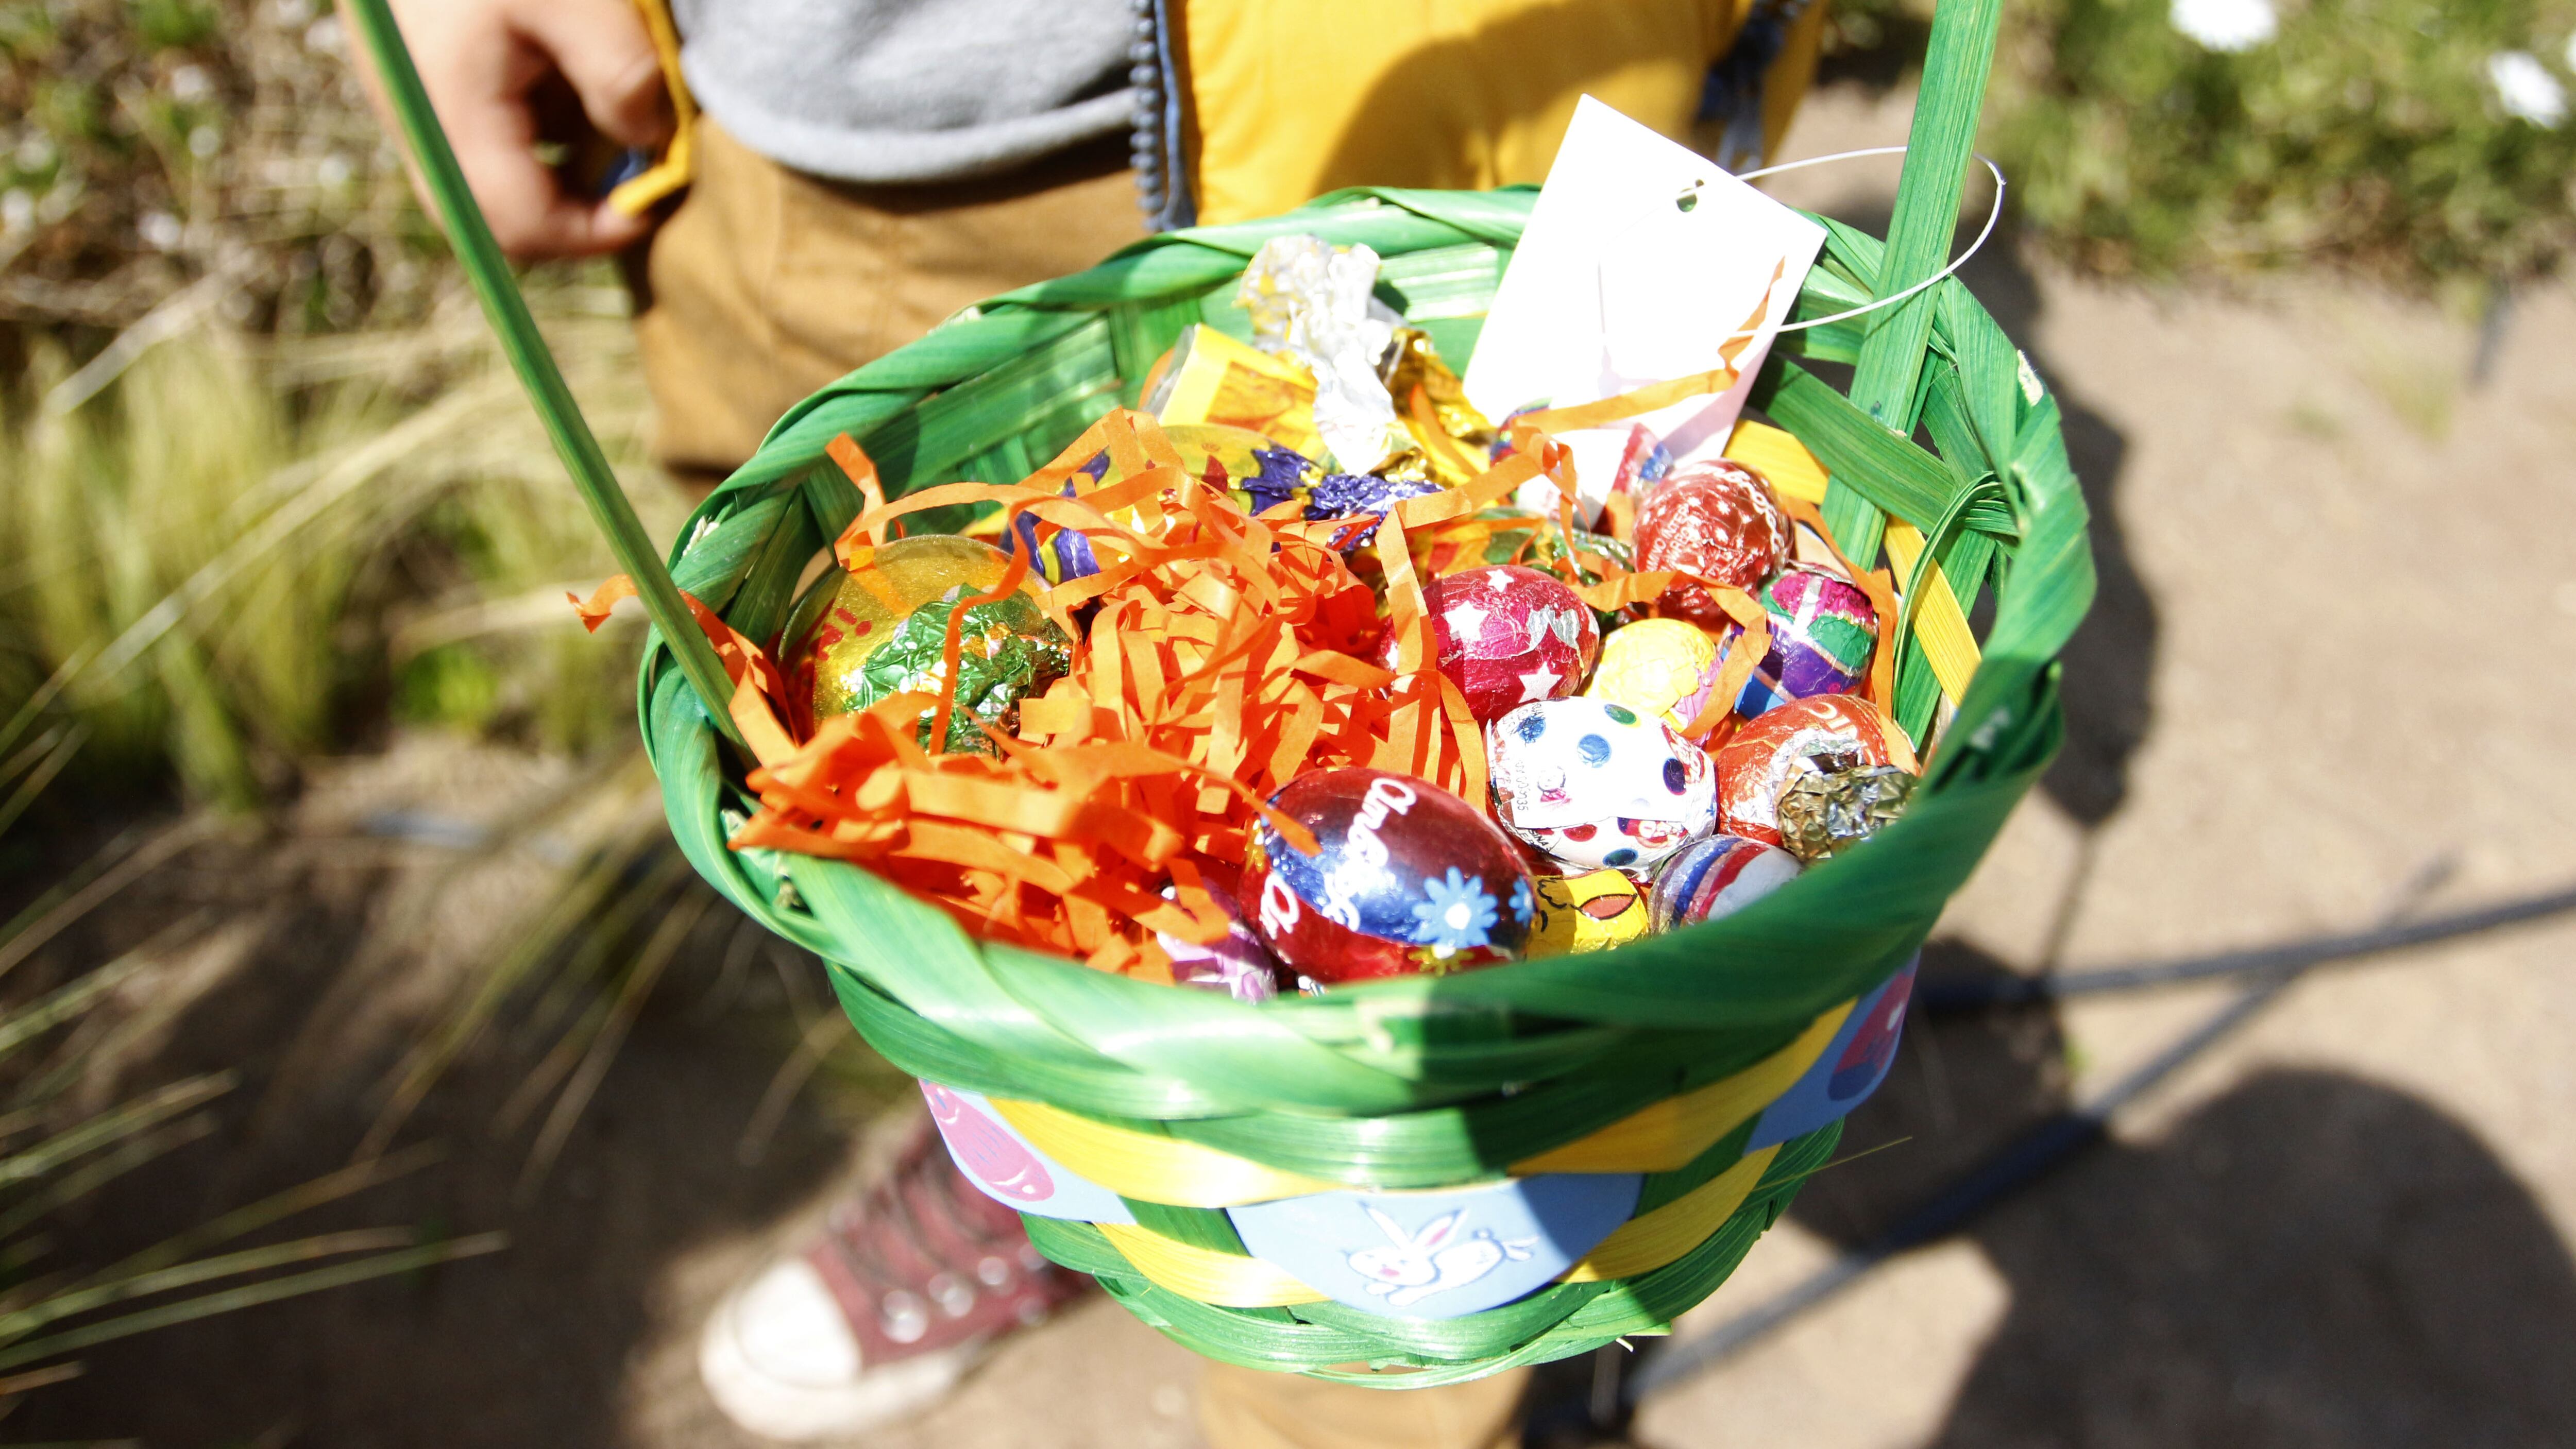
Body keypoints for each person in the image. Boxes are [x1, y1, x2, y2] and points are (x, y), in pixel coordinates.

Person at [350, 1, 1825, 1441]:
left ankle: (1350, 1392)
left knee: (1433, 1180)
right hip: (840, 127)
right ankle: (1055, 1151)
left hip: (1451, 71)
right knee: (929, 850)